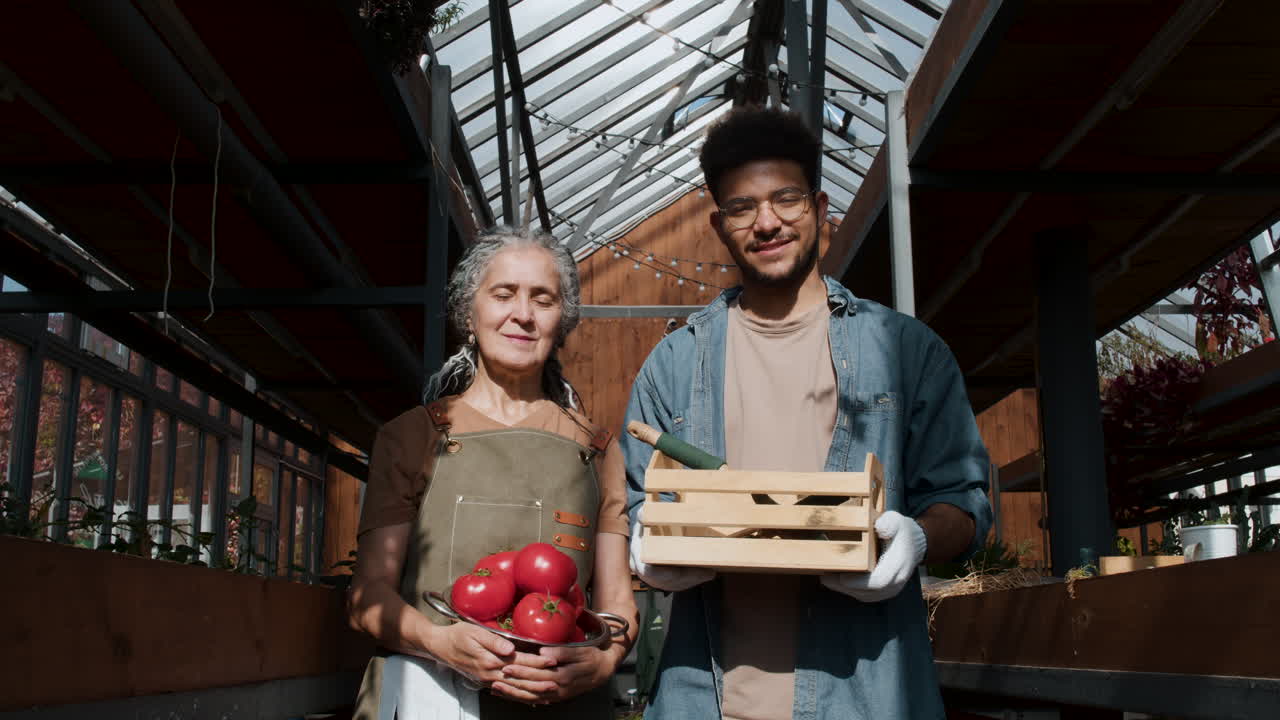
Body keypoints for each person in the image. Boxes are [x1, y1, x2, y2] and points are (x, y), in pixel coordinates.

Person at [621, 108, 993, 719]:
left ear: (820, 209)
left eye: (786, 199)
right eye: (742, 207)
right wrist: (649, 547)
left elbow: (968, 503)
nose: (767, 222)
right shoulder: (675, 363)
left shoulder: (905, 351)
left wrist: (918, 538)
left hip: (865, 697)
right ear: (720, 225)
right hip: (704, 698)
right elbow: (640, 507)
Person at [348, 227, 639, 719]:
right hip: (428, 698)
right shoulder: (411, 437)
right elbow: (365, 599)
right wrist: (438, 642)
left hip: (565, 705)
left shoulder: (598, 452)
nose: (522, 314)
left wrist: (604, 660)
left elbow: (617, 605)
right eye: (503, 294)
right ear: (469, 312)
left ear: (561, 320)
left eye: (542, 300)